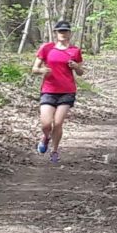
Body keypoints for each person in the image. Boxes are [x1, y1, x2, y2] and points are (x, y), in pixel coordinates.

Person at [33, 21, 83, 162]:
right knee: (46, 124)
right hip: (49, 89)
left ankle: (54, 150)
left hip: (67, 90)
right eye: (60, 31)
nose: (63, 33)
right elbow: (34, 68)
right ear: (55, 33)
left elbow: (80, 72)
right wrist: (42, 70)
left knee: (58, 122)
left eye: (65, 31)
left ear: (69, 33)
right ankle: (45, 137)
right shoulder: (46, 48)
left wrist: (75, 66)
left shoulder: (75, 50)